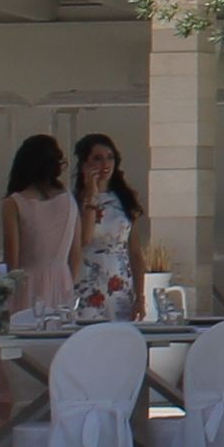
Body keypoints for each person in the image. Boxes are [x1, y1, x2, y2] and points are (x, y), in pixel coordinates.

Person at [1, 134, 79, 317]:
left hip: (27, 285)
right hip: (63, 282)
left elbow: (12, 260)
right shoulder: (68, 199)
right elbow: (75, 255)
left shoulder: (14, 203)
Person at [71, 133, 141, 322]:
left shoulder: (125, 199)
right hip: (89, 279)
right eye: (97, 158)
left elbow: (134, 252)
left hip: (119, 278)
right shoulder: (76, 201)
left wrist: (140, 295)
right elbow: (84, 239)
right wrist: (91, 193)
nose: (105, 164)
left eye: (110, 158)